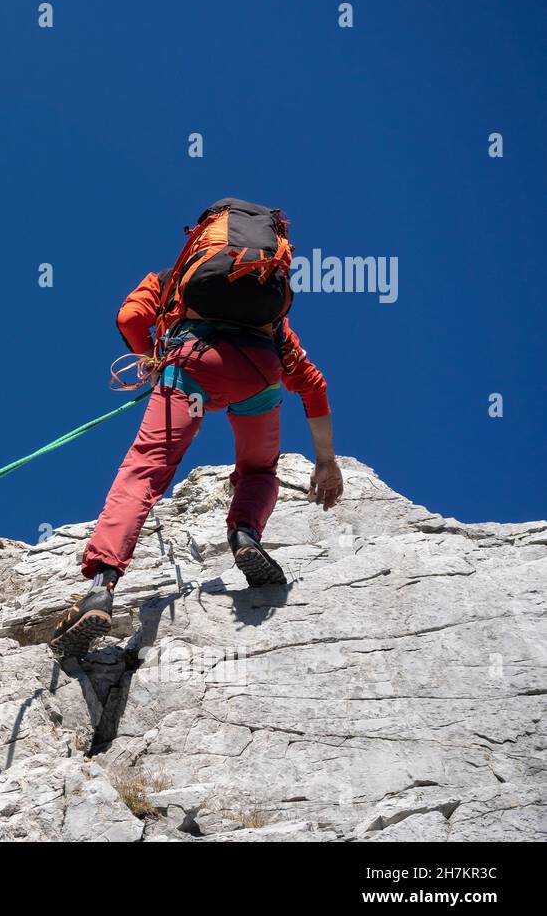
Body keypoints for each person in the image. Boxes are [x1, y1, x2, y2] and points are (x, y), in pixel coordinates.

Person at [51, 199, 344, 658]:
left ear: (202, 237)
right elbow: (313, 385)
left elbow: (130, 317)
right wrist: (326, 462)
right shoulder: (272, 316)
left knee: (145, 471)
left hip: (190, 367)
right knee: (258, 470)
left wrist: (151, 357)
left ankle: (102, 588)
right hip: (259, 374)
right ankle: (245, 533)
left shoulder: (173, 280)